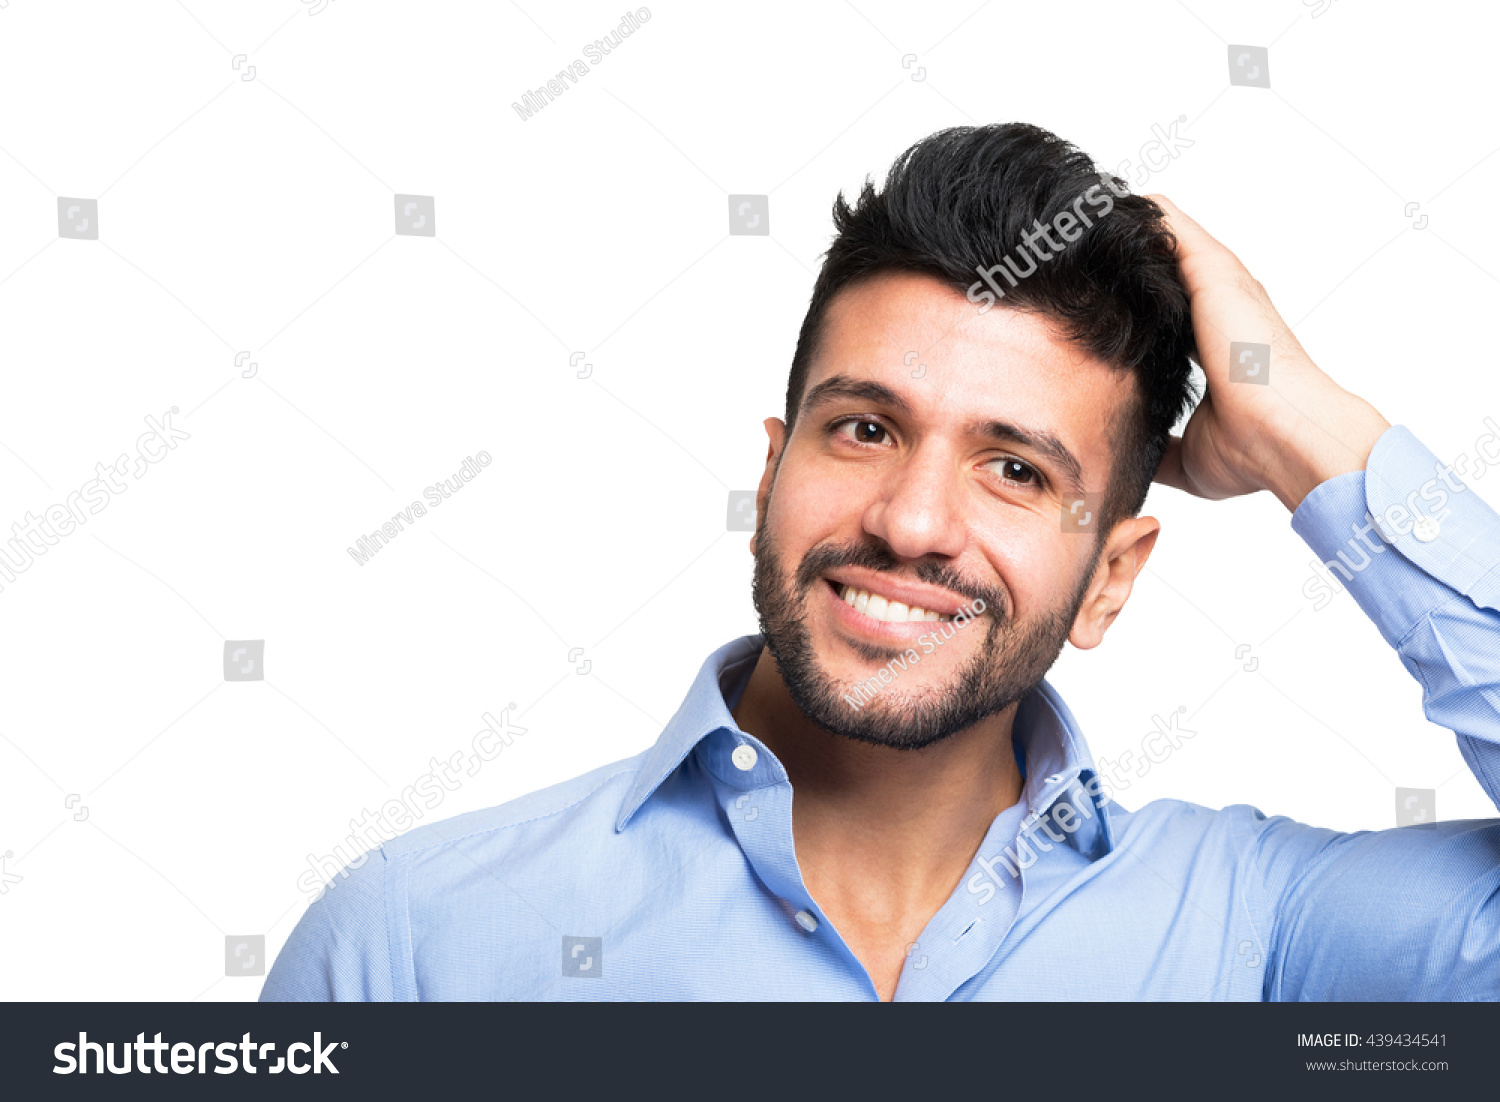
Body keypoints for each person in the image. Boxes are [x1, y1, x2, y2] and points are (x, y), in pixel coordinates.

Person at [262, 123, 1500, 1001]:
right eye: (865, 428)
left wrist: (1309, 431)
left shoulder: (1264, 943)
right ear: (773, 467)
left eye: (1017, 468)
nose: (911, 521)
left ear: (1111, 577)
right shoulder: (416, 947)